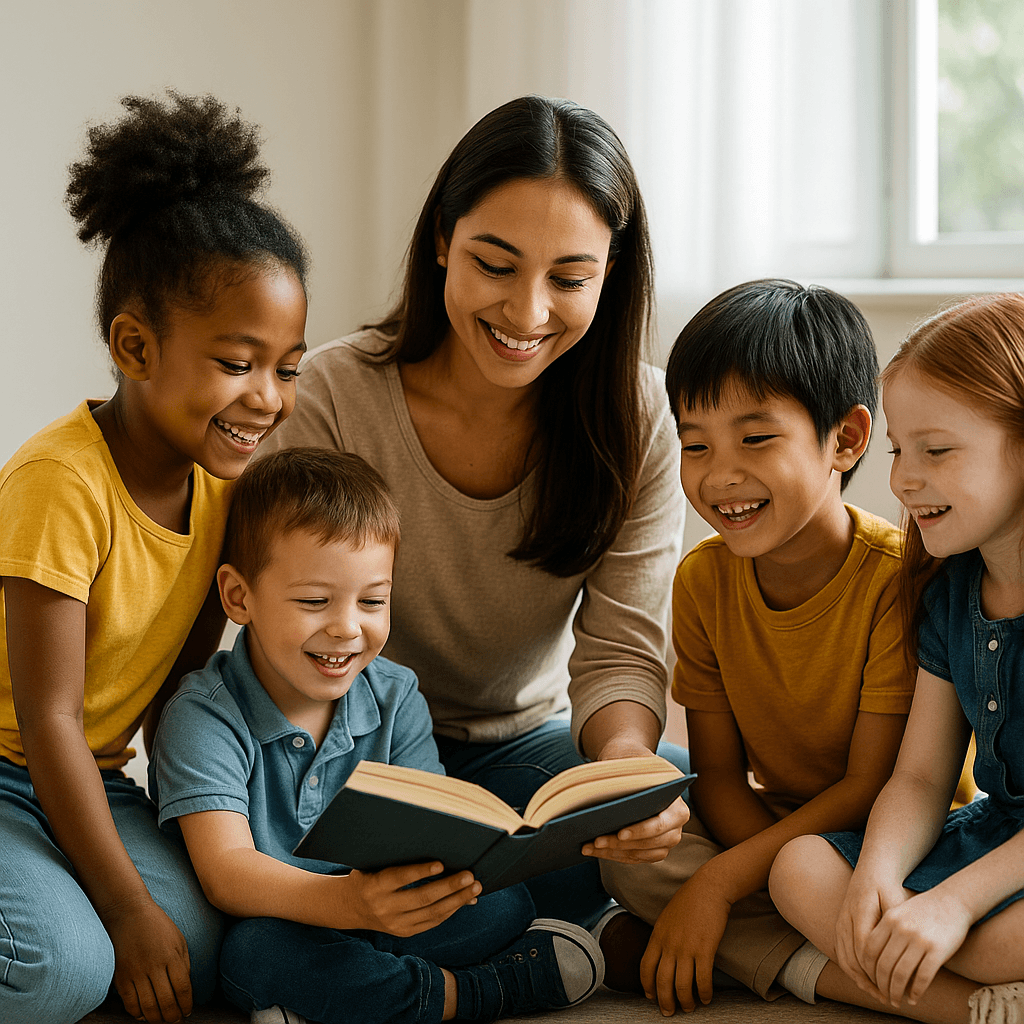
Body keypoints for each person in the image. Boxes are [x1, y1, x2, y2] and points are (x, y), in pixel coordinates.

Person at [261, 94, 689, 927]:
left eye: (569, 279)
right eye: (495, 265)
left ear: (612, 274)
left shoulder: (639, 419)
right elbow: (278, 633)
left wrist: (626, 777)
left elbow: (621, 651)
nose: (527, 314)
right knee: (275, 891)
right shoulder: (333, 396)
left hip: (522, 747)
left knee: (675, 799)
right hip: (354, 746)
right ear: (441, 243)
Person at [0, 92, 309, 1024]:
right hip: (17, 768)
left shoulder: (226, 493)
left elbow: (179, 686)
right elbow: (51, 721)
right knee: (62, 972)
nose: (269, 398)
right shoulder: (60, 482)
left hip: (92, 781)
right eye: (238, 362)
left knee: (204, 948)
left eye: (288, 367)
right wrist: (125, 907)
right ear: (136, 346)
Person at [149, 447, 605, 1024]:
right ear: (240, 597)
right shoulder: (203, 715)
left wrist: (447, 872)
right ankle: (476, 994)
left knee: (504, 905)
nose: (347, 627)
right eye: (314, 601)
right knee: (254, 953)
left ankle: (340, 1004)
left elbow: (431, 825)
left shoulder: (394, 694)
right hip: (285, 921)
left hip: (384, 911)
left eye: (372, 601)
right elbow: (227, 872)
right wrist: (347, 904)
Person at [599, 279, 916, 1015]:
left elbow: (870, 790)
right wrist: (749, 867)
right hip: (774, 827)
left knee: (789, 876)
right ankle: (822, 958)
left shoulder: (900, 581)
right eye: (695, 443)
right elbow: (715, 774)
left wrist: (720, 884)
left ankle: (792, 958)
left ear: (846, 438)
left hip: (889, 844)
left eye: (755, 438)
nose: (719, 475)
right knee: (636, 853)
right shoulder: (704, 581)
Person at [770, 293, 1024, 1024]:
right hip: (999, 837)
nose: (904, 480)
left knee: (989, 940)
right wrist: (877, 878)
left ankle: (908, 981)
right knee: (801, 870)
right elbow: (918, 777)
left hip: (1003, 883)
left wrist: (951, 905)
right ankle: (979, 1010)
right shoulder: (951, 593)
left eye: (936, 450)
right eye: (898, 451)